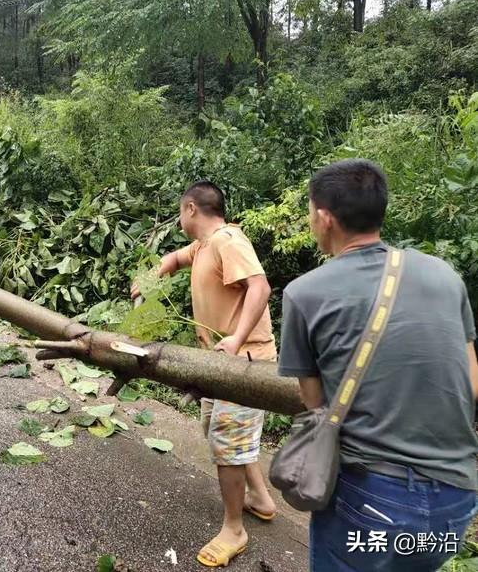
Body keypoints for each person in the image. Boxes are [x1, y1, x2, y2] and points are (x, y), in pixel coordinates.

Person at [278, 159, 478, 572]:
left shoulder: (304, 293)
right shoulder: (445, 276)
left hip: (372, 499)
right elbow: (471, 383)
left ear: (324, 217)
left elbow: (316, 403)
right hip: (457, 498)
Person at [131, 181, 277, 568]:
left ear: (191, 208)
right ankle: (260, 499)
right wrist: (150, 277)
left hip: (243, 362)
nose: (180, 219)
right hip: (216, 363)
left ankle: (234, 529)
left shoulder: (228, 240)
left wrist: (235, 339)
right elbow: (175, 260)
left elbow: (259, 287)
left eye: (180, 212)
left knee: (228, 444)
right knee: (221, 432)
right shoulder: (202, 247)